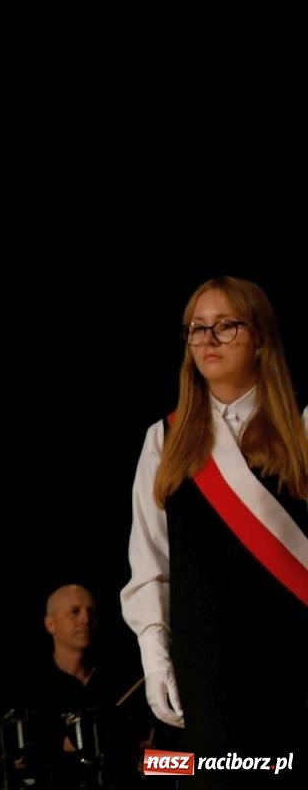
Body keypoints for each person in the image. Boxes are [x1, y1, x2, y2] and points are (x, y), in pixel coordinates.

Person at [121, 276, 308, 784]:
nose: (207, 340)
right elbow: (150, 565)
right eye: (196, 329)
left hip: (295, 665)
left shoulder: (305, 427)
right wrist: (156, 658)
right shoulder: (163, 439)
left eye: (226, 326)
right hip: (208, 672)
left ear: (262, 337)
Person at [0, 584, 145, 790]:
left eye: (91, 612)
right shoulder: (26, 690)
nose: (85, 619)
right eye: (75, 612)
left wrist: (154, 762)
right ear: (50, 624)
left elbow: (167, 763)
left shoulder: (125, 679)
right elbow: (16, 763)